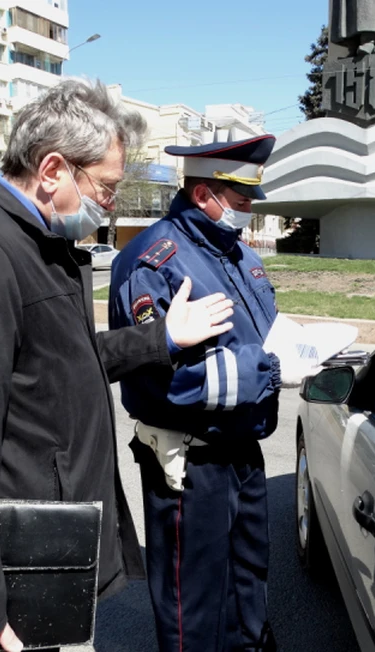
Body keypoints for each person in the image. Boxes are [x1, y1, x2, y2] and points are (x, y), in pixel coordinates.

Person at [0, 80, 236, 652]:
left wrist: (162, 338)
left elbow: (62, 364)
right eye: (104, 188)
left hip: (33, 552)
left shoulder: (35, 245)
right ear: (54, 169)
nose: (109, 206)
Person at [108, 133, 312, 651]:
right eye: (241, 203)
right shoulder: (154, 262)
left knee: (248, 585)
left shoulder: (240, 256)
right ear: (205, 195)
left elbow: (262, 332)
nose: (247, 213)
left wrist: (303, 350)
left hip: (244, 450)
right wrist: (267, 371)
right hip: (191, 465)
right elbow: (162, 382)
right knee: (191, 607)